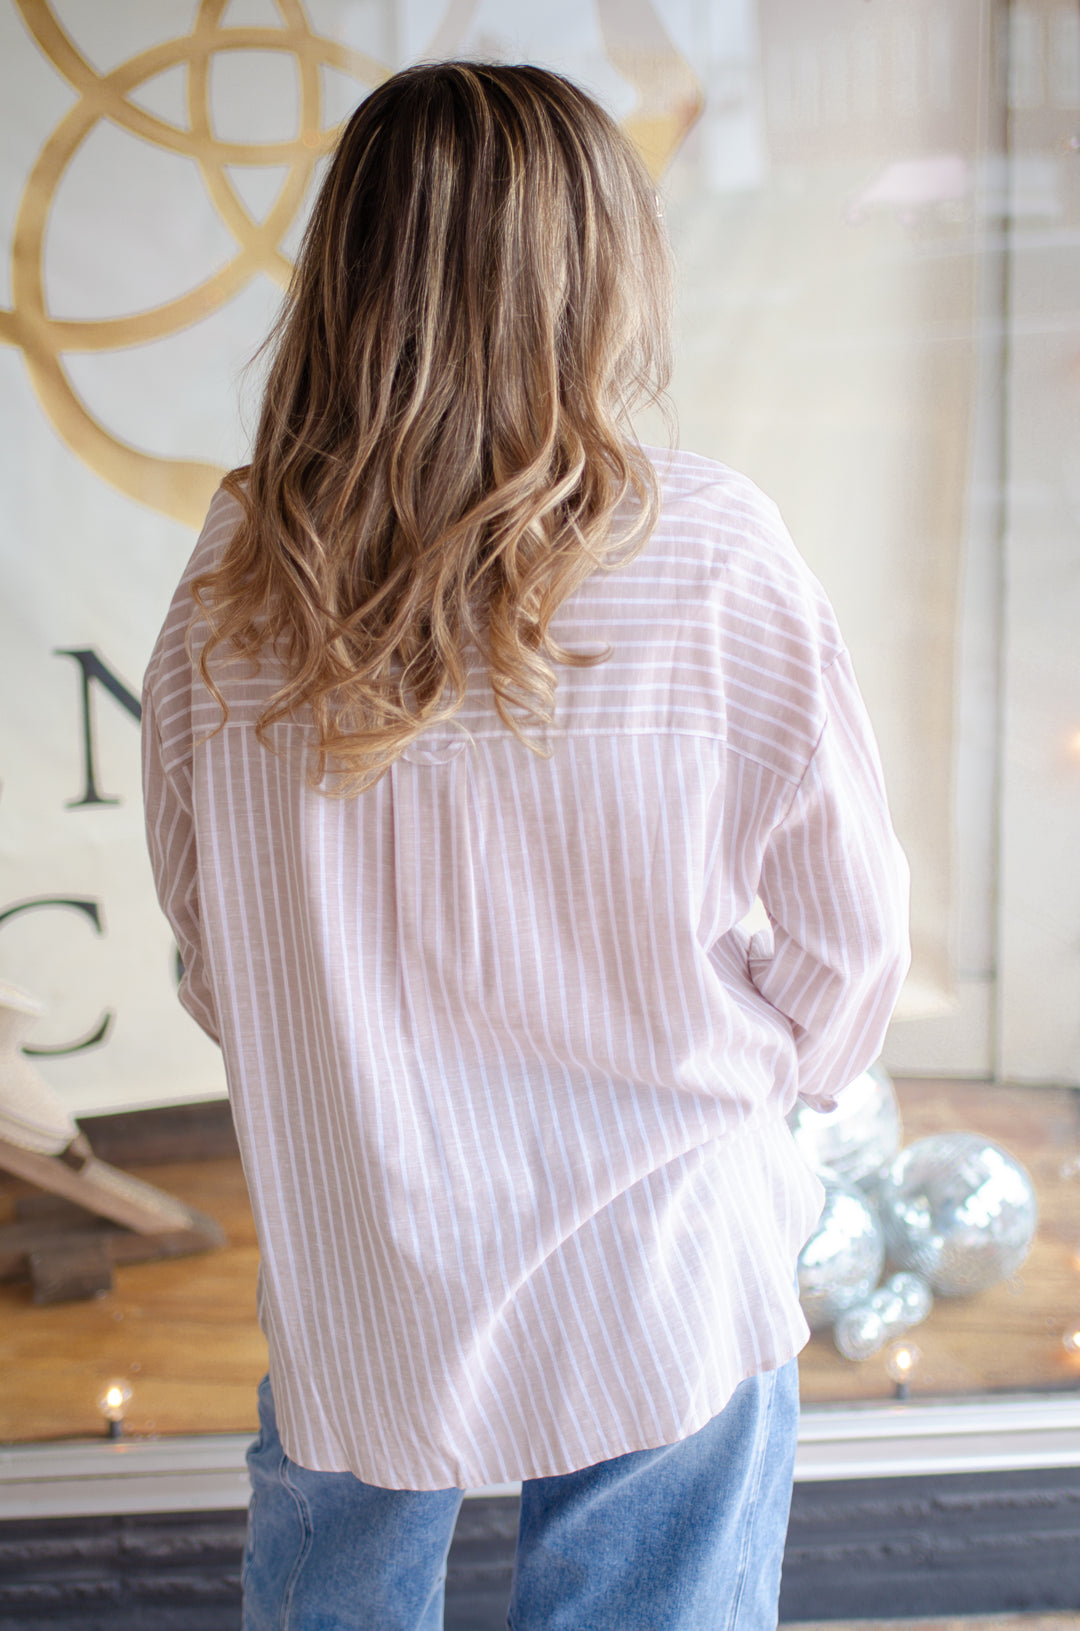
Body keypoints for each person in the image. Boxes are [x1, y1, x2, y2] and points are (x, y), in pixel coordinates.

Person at [142, 61, 910, 1631]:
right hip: (661, 1248)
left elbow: (213, 938)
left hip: (365, 1249)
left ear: (342, 275)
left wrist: (363, 1070)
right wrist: (738, 1066)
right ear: (600, 271)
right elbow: (850, 946)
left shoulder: (242, 573)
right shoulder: (709, 546)